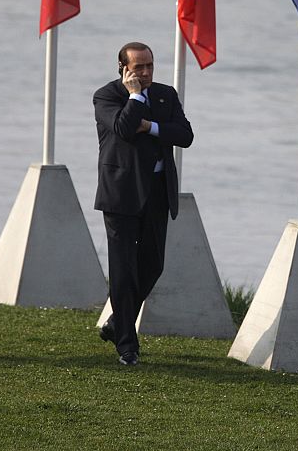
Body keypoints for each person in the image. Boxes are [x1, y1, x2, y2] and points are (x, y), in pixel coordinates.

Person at [93, 42, 193, 366]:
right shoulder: (107, 96)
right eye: (139, 67)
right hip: (121, 194)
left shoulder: (166, 95)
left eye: (150, 65)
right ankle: (127, 346)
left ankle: (117, 322)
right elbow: (123, 128)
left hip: (157, 192)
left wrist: (150, 127)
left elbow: (185, 135)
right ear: (123, 68)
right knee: (123, 270)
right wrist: (135, 96)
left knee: (152, 265)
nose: (146, 72)